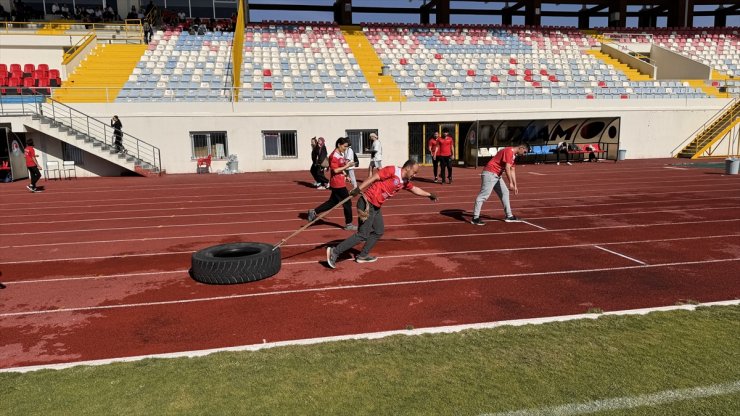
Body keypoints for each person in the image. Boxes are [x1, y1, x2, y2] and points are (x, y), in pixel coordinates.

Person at [326, 159, 438, 268]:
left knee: (378, 231)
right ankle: (334, 251)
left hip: (376, 206)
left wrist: (429, 195)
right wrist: (358, 189)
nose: (415, 174)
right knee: (362, 234)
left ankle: (362, 256)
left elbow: (415, 189)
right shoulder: (392, 170)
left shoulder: (405, 182)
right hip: (367, 202)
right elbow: (374, 177)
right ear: (408, 168)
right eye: (414, 172)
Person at [470, 143, 529, 225]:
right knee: (484, 196)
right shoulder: (509, 151)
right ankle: (475, 218)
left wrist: (515, 185)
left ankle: (509, 216)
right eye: (525, 152)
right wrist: (510, 183)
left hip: (497, 175)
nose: (524, 154)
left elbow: (512, 170)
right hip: (490, 173)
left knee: (505, 192)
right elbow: (507, 168)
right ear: (521, 148)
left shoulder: (513, 156)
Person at [307, 137, 356, 231]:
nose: (345, 148)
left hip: (340, 182)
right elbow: (335, 170)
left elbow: (340, 167)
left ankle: (313, 212)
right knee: (347, 203)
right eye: (344, 146)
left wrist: (346, 175)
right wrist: (347, 166)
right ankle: (349, 224)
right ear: (339, 145)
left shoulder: (340, 154)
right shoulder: (333, 156)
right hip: (338, 184)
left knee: (332, 202)